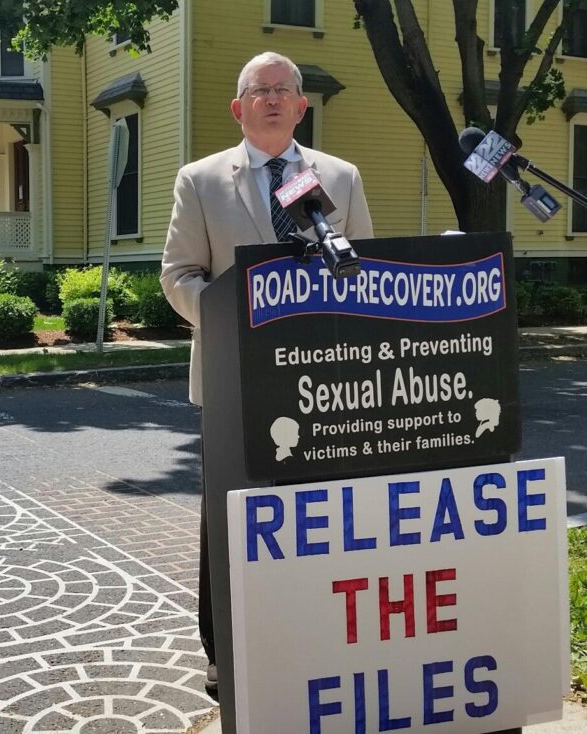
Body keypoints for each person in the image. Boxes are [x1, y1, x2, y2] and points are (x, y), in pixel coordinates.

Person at [160, 51, 374, 701]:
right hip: (233, 381)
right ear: (239, 107)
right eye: (260, 90)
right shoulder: (200, 180)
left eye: (285, 90)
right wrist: (234, 321)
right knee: (229, 522)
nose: (274, 98)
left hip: (321, 384)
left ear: (303, 106)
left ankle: (307, 635)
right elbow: (178, 276)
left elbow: (362, 275)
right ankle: (224, 653)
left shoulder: (339, 177)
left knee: (315, 518)